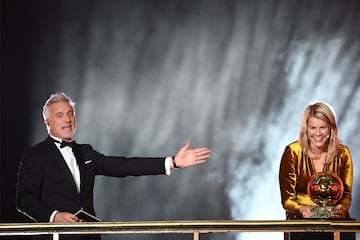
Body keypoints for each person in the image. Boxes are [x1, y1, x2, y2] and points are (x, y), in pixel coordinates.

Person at [16, 93, 211, 240]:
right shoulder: (35, 155)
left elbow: (123, 166)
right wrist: (54, 216)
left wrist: (172, 162)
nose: (67, 120)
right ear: (47, 122)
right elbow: (24, 199)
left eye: (70, 114)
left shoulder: (86, 152)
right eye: (60, 115)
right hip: (55, 237)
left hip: (90, 235)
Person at [279, 102, 354, 240]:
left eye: (323, 127)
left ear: (331, 128)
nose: (318, 133)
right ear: (305, 129)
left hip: (336, 225)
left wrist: (341, 209)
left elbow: (347, 197)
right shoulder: (293, 152)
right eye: (313, 128)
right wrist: (301, 210)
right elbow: (287, 200)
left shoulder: (343, 153)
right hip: (301, 226)